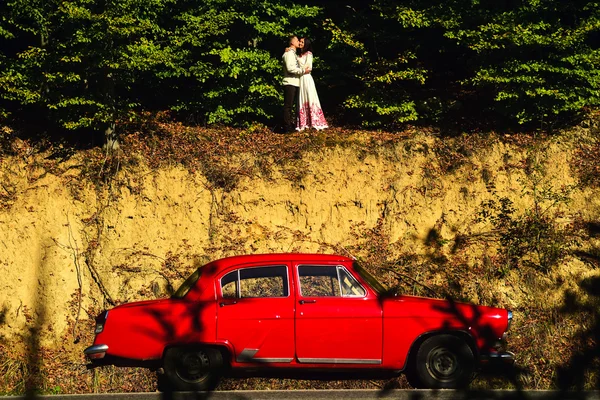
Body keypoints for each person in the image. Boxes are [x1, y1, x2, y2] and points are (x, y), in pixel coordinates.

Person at [296, 37, 328, 131]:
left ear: (306, 44)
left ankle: (314, 121)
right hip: (300, 79)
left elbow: (309, 68)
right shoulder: (297, 54)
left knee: (310, 97)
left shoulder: (309, 54)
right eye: (300, 41)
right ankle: (304, 122)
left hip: (307, 78)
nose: (300, 43)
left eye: (302, 42)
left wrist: (300, 69)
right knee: (302, 99)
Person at [282, 35, 310, 133]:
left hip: (295, 83)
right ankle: (287, 128)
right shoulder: (289, 54)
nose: (299, 41)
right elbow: (290, 68)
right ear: (292, 42)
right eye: (297, 40)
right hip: (290, 82)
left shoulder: (293, 53)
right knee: (288, 106)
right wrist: (303, 71)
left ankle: (292, 125)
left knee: (292, 106)